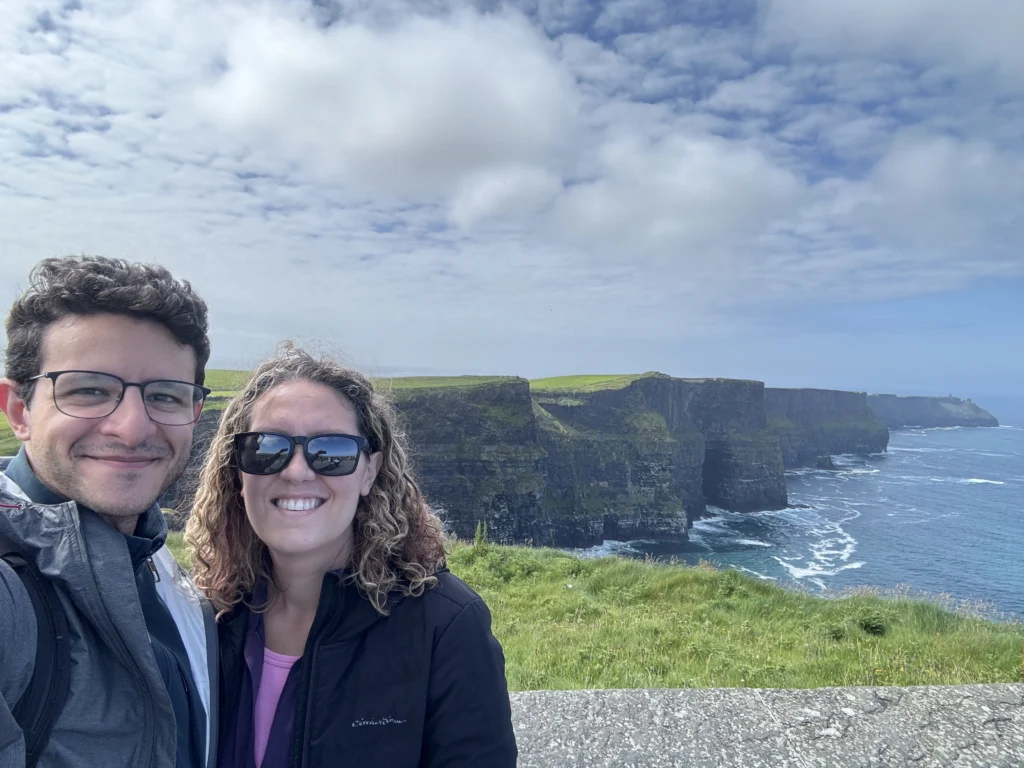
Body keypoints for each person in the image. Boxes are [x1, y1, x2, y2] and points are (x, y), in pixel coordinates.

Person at [185, 344, 518, 767]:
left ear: (369, 471)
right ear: (238, 471)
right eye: (267, 448)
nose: (297, 471)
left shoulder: (444, 628)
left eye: (332, 451)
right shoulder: (208, 618)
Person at [0, 256, 218, 768]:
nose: (132, 427)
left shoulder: (167, 572)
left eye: (164, 396)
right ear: (20, 411)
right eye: (90, 390)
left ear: (193, 413)